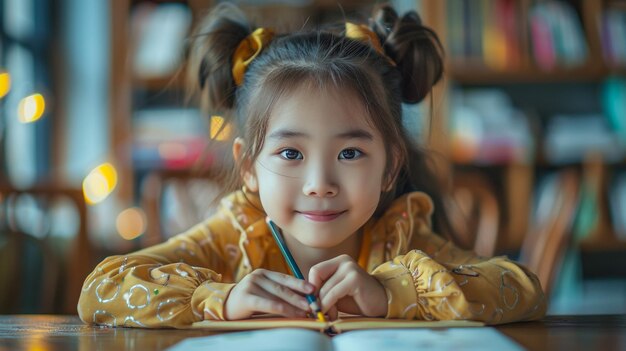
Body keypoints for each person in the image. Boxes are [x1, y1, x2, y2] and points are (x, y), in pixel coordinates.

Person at [78, 3, 546, 328]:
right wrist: (220, 298)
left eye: (349, 153)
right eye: (290, 154)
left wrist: (391, 293)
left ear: (390, 167)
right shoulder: (231, 234)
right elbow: (100, 290)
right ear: (249, 167)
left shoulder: (401, 236)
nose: (320, 185)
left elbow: (522, 287)